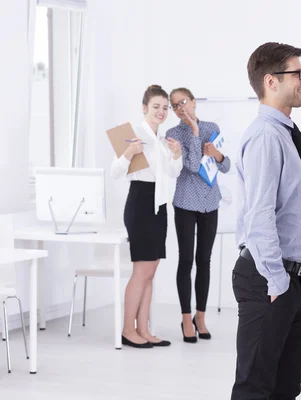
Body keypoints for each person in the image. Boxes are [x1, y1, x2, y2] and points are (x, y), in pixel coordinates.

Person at [230, 42, 301, 400]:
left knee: (286, 388)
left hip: (295, 276)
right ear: (271, 81)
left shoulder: (285, 132)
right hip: (270, 277)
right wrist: (277, 280)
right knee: (256, 387)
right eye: (298, 73)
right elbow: (259, 214)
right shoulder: (267, 136)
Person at [110, 84, 182, 348]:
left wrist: (177, 155)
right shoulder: (133, 134)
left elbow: (171, 174)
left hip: (159, 205)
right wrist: (129, 152)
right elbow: (115, 172)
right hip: (140, 203)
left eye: (165, 108)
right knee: (141, 270)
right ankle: (128, 330)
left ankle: (144, 330)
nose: (161, 112)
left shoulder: (161, 142)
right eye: (156, 107)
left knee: (151, 270)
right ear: (144, 108)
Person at [166, 87, 230, 343]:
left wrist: (216, 154)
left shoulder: (212, 127)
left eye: (183, 102)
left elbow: (225, 166)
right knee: (186, 261)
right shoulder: (173, 134)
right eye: (175, 105)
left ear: (194, 102)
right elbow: (191, 166)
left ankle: (200, 316)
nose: (180, 108)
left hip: (209, 202)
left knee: (205, 261)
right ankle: (185, 318)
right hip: (184, 203)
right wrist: (193, 133)